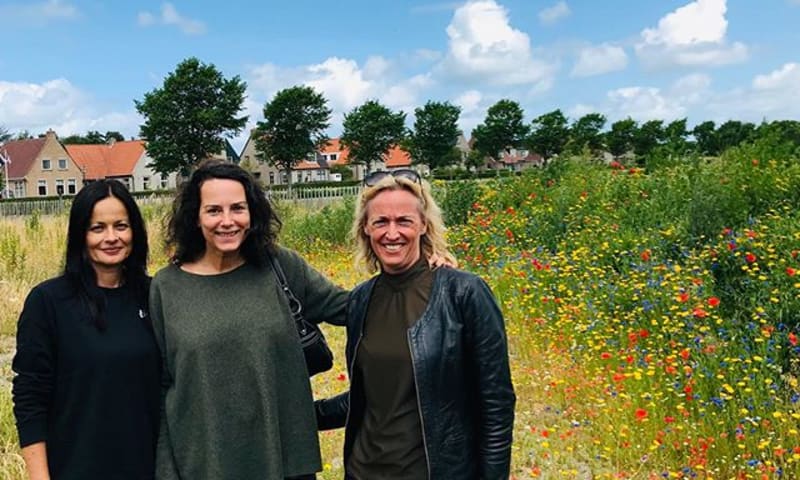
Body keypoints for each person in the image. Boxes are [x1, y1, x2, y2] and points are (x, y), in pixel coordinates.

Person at [150, 161, 348, 480]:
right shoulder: (166, 287)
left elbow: (355, 307)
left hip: (284, 462)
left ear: (252, 213)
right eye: (213, 210)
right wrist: (166, 472)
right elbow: (161, 388)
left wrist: (425, 271)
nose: (227, 221)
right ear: (195, 218)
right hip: (203, 466)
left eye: (238, 208)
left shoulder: (279, 267)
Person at [315, 169, 516, 479]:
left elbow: (496, 404)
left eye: (404, 221)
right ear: (366, 229)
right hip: (364, 471)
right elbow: (368, 397)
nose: (391, 233)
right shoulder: (361, 300)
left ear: (423, 225)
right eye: (380, 222)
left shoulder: (464, 294)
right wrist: (296, 413)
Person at [12, 179, 159, 479]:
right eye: (97, 228)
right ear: (80, 234)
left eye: (121, 226)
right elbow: (30, 398)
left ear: (135, 231)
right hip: (76, 467)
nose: (111, 237)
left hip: (149, 468)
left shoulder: (155, 296)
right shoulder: (48, 302)